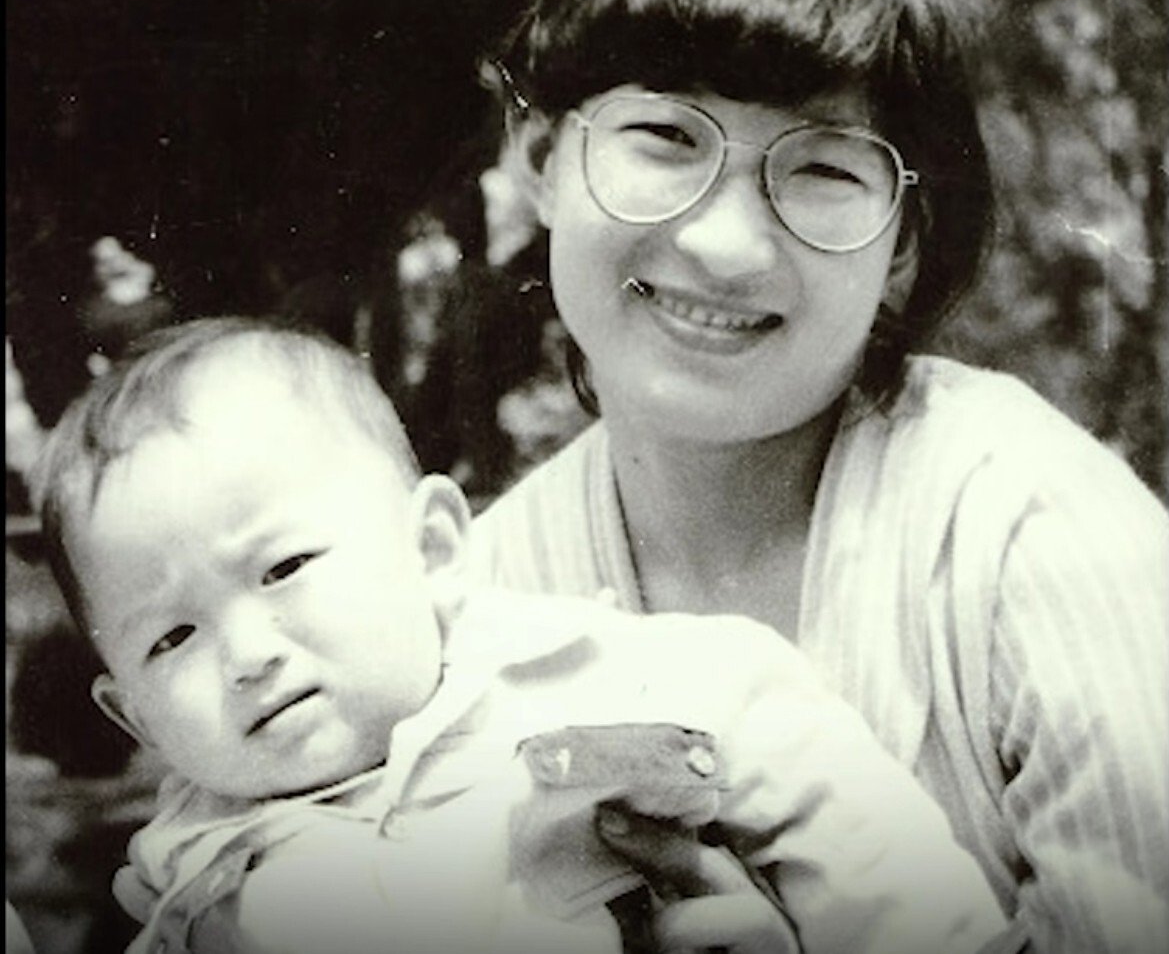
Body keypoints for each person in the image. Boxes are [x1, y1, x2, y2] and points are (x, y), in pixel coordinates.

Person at [469, 0, 1169, 952]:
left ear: (904, 247)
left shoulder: (1033, 538)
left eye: (822, 168)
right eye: (665, 136)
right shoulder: (482, 604)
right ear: (539, 161)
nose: (723, 243)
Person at [32, 316, 1006, 954]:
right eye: (171, 638)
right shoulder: (182, 890)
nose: (246, 654)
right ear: (135, 716)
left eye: (283, 569)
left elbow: (803, 777)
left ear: (435, 547)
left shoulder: (583, 693)